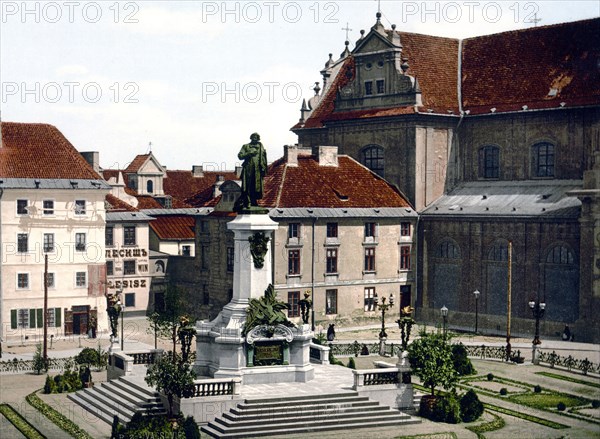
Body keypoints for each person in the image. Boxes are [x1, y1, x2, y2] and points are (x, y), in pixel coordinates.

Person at [237, 133, 267, 209]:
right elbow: (240, 156)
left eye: (257, 137)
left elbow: (263, 157)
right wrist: (249, 153)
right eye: (253, 137)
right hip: (248, 168)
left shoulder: (260, 146)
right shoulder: (245, 146)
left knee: (256, 186)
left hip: (257, 169)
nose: (255, 138)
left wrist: (263, 167)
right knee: (247, 185)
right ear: (251, 138)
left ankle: (254, 201)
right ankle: (248, 201)